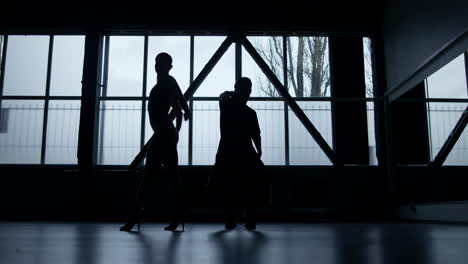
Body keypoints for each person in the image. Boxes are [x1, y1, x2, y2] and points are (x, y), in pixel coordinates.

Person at [120, 52, 190, 232]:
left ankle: (134, 218)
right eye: (157, 64)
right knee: (168, 178)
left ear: (167, 67)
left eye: (161, 64)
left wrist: (176, 130)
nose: (158, 67)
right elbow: (181, 105)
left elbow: (180, 104)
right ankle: (173, 216)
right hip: (164, 135)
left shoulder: (166, 84)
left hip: (163, 135)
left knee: (153, 179)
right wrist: (177, 130)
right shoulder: (165, 84)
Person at [213, 77, 263, 231]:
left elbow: (221, 96)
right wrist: (259, 152)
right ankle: (250, 218)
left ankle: (231, 218)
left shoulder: (226, 106)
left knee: (225, 184)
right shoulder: (250, 113)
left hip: (227, 149)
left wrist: (232, 93)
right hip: (245, 150)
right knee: (251, 184)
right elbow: (256, 135)